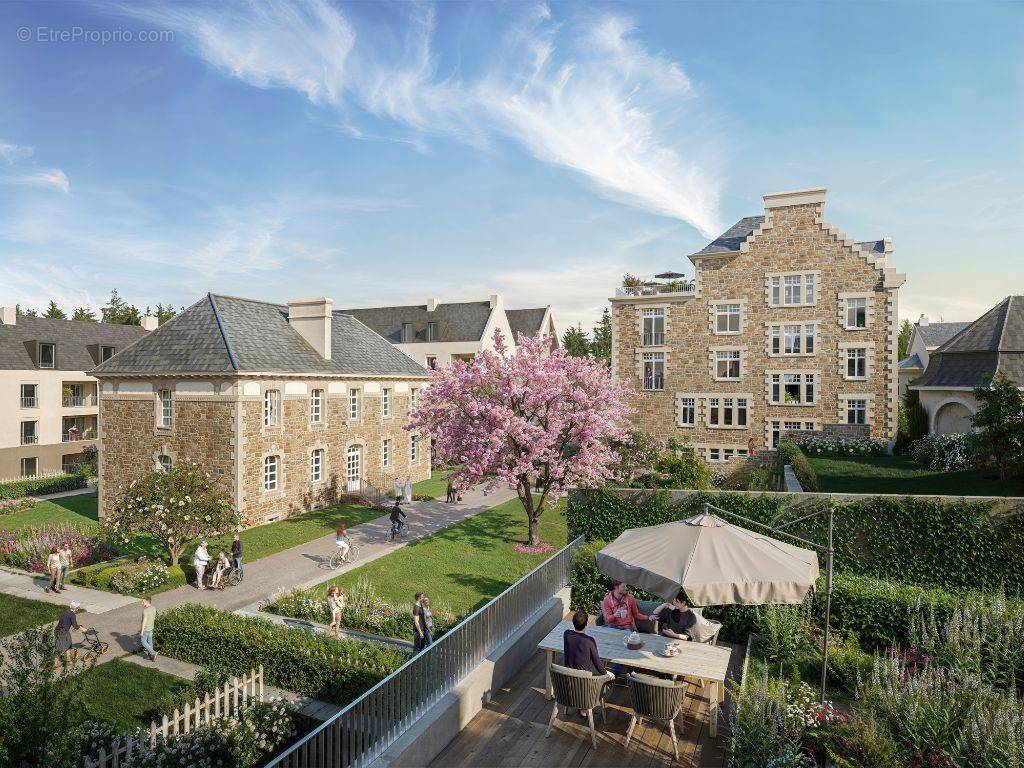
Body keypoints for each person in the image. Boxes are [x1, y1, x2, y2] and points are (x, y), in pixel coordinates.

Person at [563, 609, 615, 713]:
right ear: (587, 624)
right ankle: (584, 706)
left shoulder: (567, 634)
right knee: (611, 680)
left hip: (568, 683)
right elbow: (597, 664)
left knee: (581, 673)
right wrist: (607, 673)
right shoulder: (589, 641)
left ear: (573, 622)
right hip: (584, 685)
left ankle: (582, 709)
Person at [54, 601, 85, 667]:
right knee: (67, 646)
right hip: (63, 632)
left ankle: (59, 662)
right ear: (75, 608)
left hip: (57, 630)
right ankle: (67, 662)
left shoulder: (66, 612)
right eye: (78, 607)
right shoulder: (72, 614)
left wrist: (76, 626)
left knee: (61, 646)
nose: (78, 608)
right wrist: (84, 630)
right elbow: (75, 626)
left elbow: (67, 622)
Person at [139, 596, 157, 660]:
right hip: (151, 628)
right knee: (150, 641)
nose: (142, 603)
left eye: (143, 602)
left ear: (147, 602)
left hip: (146, 629)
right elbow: (154, 618)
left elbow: (144, 622)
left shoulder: (145, 611)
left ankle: (153, 652)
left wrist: (141, 631)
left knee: (143, 642)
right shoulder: (154, 608)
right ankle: (152, 656)